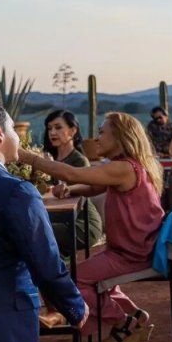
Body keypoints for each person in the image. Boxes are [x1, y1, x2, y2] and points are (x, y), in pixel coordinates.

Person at [0, 97, 101, 342]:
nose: (16, 136)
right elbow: (46, 261)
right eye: (13, 129)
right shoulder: (15, 191)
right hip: (4, 335)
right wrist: (74, 305)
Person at [17, 112, 165, 342]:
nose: (97, 138)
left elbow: (71, 173)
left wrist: (24, 155)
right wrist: (72, 190)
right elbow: (95, 187)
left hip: (132, 255)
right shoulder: (130, 167)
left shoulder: (124, 168)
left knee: (69, 281)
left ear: (120, 137)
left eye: (102, 132)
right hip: (133, 250)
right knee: (84, 277)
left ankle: (122, 322)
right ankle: (134, 315)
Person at [42, 109, 103, 258]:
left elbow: (73, 192)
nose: (52, 132)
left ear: (73, 130)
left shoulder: (79, 161)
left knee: (36, 232)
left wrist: (51, 168)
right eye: (49, 128)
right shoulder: (48, 159)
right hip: (57, 218)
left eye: (58, 127)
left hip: (81, 223)